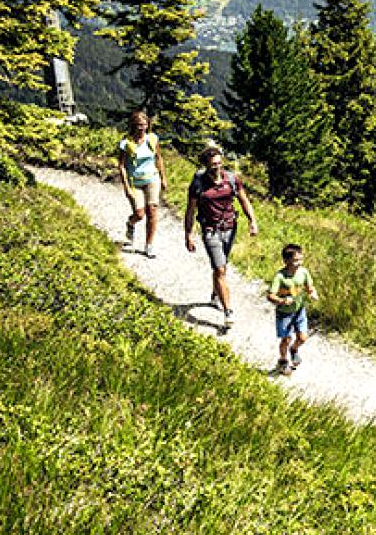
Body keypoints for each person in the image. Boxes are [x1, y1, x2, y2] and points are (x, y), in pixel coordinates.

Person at [184, 145, 258, 331]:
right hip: (210, 230)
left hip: (230, 228)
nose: (217, 167)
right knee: (220, 269)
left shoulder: (231, 179)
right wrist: (188, 234)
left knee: (221, 267)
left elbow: (243, 200)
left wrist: (252, 221)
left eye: (219, 163)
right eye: (212, 165)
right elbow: (191, 209)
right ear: (206, 165)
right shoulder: (198, 183)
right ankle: (228, 312)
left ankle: (215, 293)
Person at [116, 110, 167, 257]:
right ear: (133, 126)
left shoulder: (152, 139)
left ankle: (149, 245)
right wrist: (126, 186)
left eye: (144, 125)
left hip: (152, 179)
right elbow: (122, 165)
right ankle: (131, 223)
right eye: (138, 125)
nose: (141, 128)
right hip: (135, 182)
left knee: (152, 211)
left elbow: (158, 158)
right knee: (139, 214)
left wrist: (163, 177)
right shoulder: (126, 144)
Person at [267, 243, 319, 375]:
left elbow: (309, 286)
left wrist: (312, 292)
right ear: (286, 261)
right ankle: (283, 361)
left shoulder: (303, 272)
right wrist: (282, 301)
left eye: (301, 259)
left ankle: (294, 350)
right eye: (295, 260)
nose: (299, 263)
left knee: (303, 337)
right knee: (286, 339)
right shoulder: (280, 276)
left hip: (299, 311)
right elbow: (270, 295)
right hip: (284, 314)